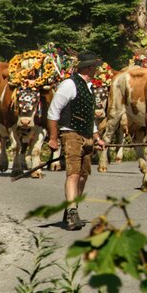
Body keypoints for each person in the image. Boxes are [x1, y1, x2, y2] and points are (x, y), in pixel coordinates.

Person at [47, 51, 106, 230]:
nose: (96, 69)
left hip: (87, 136)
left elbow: (89, 118)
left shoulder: (88, 87)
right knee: (73, 174)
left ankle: (71, 208)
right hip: (71, 134)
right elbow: (53, 111)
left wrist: (97, 137)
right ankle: (72, 213)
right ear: (88, 67)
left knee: (83, 176)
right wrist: (53, 138)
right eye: (94, 66)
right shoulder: (69, 85)